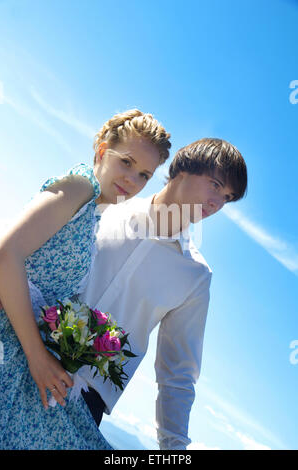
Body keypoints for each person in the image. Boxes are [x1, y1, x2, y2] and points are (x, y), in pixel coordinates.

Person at [0, 109, 171, 450]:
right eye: (126, 162)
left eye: (144, 175)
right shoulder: (81, 185)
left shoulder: (93, 211)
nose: (132, 180)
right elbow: (7, 254)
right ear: (103, 150)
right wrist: (37, 357)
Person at [78, 137, 248, 450]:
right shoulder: (108, 205)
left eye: (227, 197)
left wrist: (174, 448)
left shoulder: (195, 276)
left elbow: (177, 373)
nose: (217, 203)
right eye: (214, 185)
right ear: (181, 170)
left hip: (86, 403)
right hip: (22, 350)